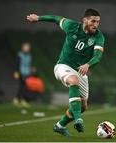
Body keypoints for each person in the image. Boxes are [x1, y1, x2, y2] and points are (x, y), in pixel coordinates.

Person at [26, 8, 105, 137]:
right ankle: (78, 120)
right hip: (63, 66)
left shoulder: (98, 36)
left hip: (81, 70)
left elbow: (97, 56)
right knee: (73, 80)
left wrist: (88, 64)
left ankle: (59, 126)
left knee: (83, 106)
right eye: (93, 21)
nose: (96, 25)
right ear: (85, 20)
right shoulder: (72, 26)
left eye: (98, 22)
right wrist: (39, 18)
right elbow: (56, 19)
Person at [13, 42, 32, 107]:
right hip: (21, 73)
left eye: (28, 47)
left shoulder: (29, 56)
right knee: (22, 86)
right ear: (23, 48)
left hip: (27, 73)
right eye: (25, 47)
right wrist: (16, 72)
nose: (26, 48)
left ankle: (18, 99)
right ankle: (20, 99)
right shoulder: (20, 55)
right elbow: (17, 64)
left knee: (24, 87)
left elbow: (29, 65)